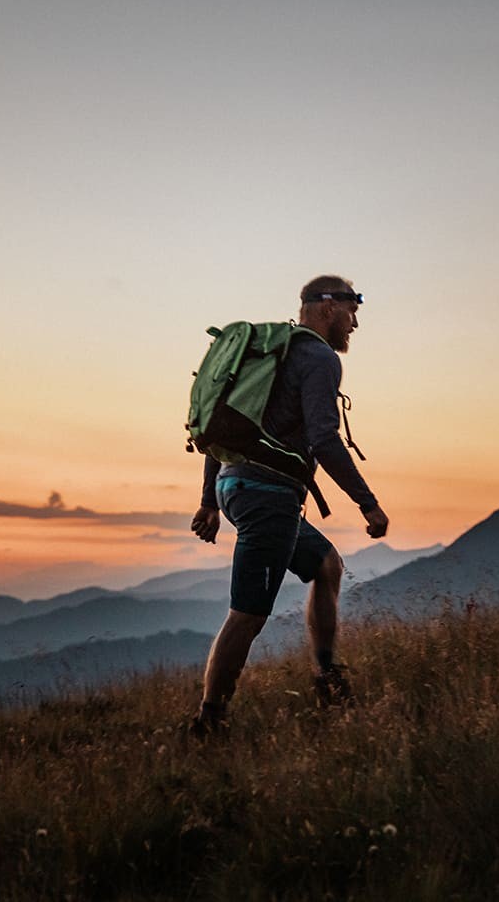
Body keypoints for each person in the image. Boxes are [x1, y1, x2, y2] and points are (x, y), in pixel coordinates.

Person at [190, 275, 389, 733]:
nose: (355, 322)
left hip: (237, 486)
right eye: (351, 310)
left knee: (326, 566)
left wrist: (210, 500)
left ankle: (326, 676)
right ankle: (208, 722)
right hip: (267, 495)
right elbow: (323, 438)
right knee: (247, 615)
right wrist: (367, 503)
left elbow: (226, 427)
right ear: (325, 308)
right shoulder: (317, 357)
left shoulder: (270, 355)